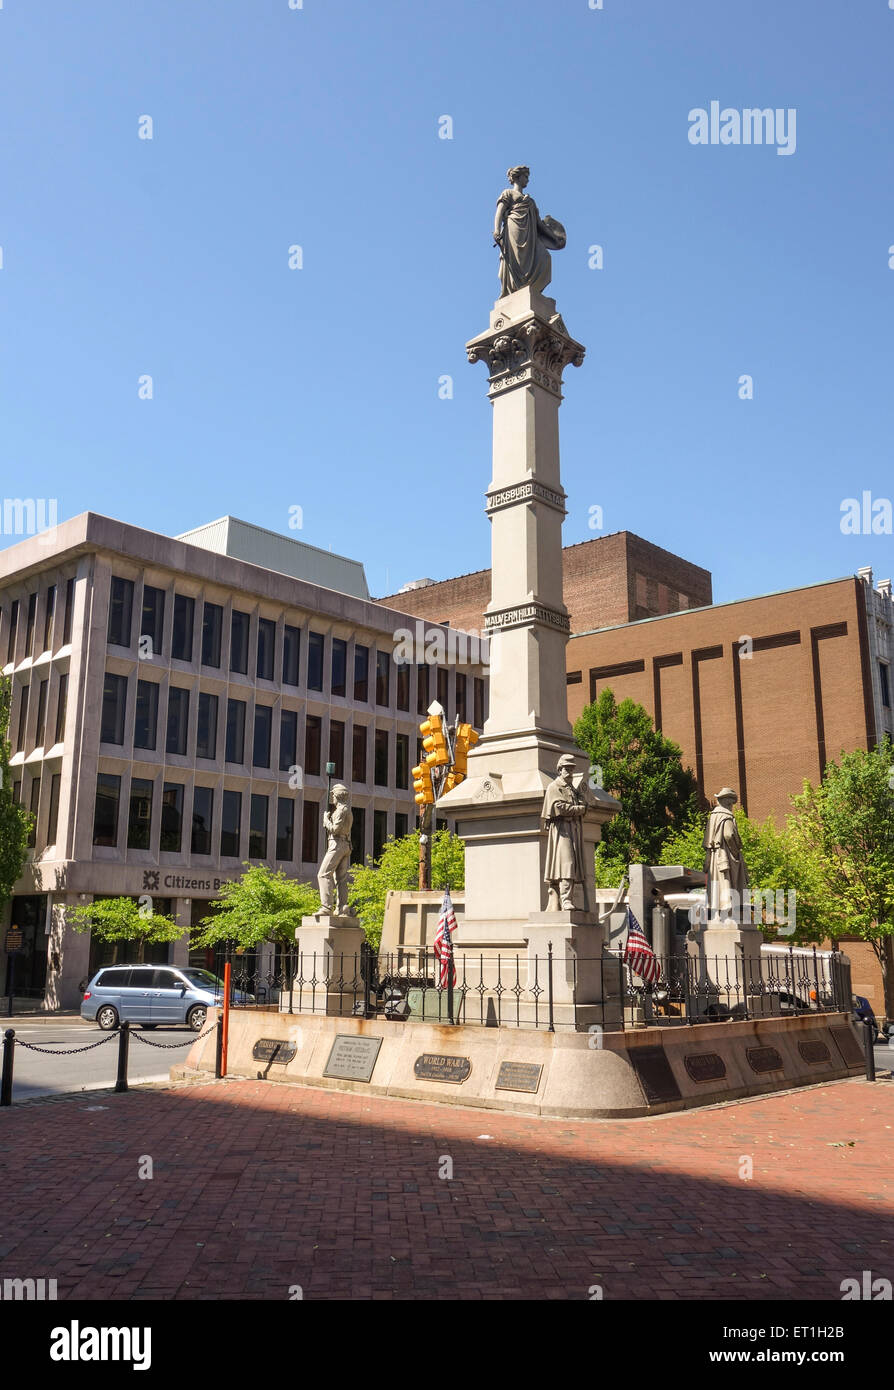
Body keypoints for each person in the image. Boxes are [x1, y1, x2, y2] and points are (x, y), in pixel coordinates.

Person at [493, 166, 566, 297]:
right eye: (525, 176)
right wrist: (497, 230)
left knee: (545, 257)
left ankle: (531, 290)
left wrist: (554, 238)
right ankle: (515, 289)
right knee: (516, 259)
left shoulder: (531, 201)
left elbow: (539, 224)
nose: (527, 180)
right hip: (514, 228)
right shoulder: (508, 193)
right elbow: (499, 212)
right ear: (517, 177)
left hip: (530, 235)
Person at [541, 754, 593, 911]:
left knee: (574, 865)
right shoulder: (554, 787)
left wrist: (582, 806)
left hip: (574, 831)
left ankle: (569, 900)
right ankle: (565, 900)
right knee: (566, 864)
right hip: (562, 831)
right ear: (559, 770)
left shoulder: (572, 790)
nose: (570, 773)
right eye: (566, 769)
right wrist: (579, 809)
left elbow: (584, 805)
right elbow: (559, 807)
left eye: (571, 769)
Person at [703, 787, 748, 920]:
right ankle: (729, 915)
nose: (732, 806)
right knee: (727, 883)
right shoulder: (726, 816)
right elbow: (729, 835)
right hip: (725, 855)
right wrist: (735, 852)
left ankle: (718, 915)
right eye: (731, 802)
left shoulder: (713, 816)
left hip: (714, 857)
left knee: (717, 884)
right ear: (727, 802)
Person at [317, 784, 354, 916]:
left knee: (323, 874)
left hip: (337, 844)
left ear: (337, 796)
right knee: (341, 878)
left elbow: (335, 829)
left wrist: (326, 820)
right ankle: (343, 907)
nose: (332, 797)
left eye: (333, 795)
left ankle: (326, 907)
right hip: (346, 845)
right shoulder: (348, 810)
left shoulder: (340, 810)